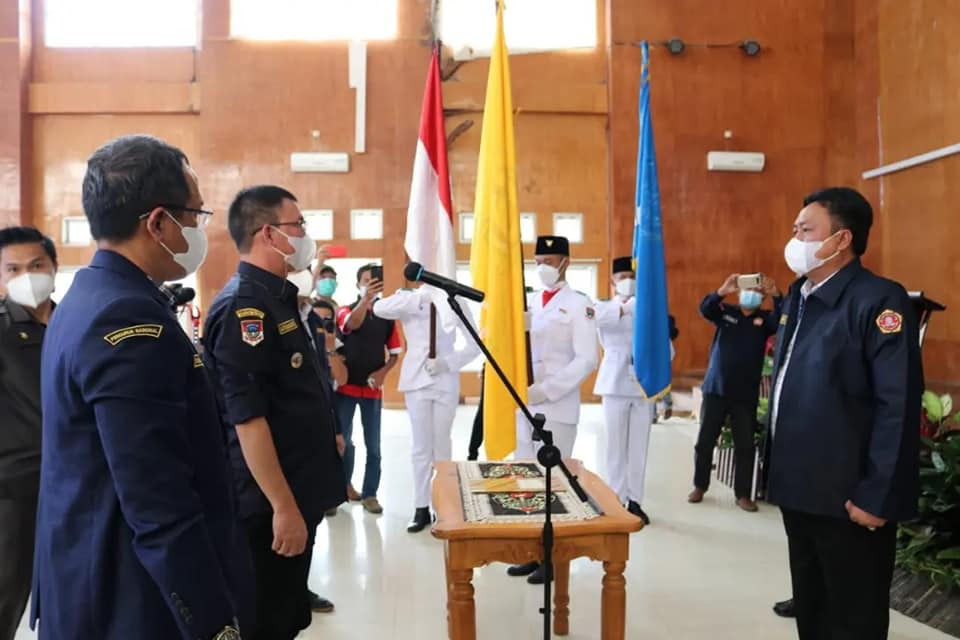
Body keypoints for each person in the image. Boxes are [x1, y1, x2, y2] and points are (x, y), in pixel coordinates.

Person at [33, 134, 247, 640]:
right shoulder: (127, 320)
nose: (198, 228)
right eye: (194, 215)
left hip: (87, 572)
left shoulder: (88, 297)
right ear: (157, 222)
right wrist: (213, 622)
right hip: (129, 596)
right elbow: (157, 499)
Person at [767, 186, 922, 639]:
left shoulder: (879, 301)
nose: (795, 239)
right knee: (812, 611)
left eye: (806, 229)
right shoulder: (800, 296)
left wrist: (878, 495)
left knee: (854, 618)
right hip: (800, 490)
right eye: (795, 229)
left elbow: (897, 403)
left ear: (841, 240)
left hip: (851, 499)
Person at [203, 185, 345, 640]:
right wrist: (283, 508)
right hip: (269, 504)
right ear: (269, 232)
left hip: (300, 489)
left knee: (288, 614)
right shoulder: (246, 306)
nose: (305, 235)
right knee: (266, 620)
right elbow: (248, 419)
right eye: (298, 226)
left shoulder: (279, 298)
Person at [507, 235, 598, 585]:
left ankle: (552, 557)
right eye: (539, 260)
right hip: (524, 403)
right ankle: (532, 552)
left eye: (550, 259)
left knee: (553, 482)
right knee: (525, 479)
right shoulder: (529, 302)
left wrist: (547, 390)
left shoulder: (579, 304)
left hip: (557, 407)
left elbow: (587, 358)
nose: (543, 266)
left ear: (566, 262)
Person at [373, 279, 479, 532]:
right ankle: (420, 507)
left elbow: (474, 343)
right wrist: (418, 297)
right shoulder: (408, 298)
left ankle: (442, 506)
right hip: (416, 378)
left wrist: (448, 362)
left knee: (442, 444)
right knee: (420, 447)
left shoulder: (456, 300)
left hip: (444, 378)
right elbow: (379, 309)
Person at [0, 227, 56, 640]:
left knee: (71, 598)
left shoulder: (77, 323)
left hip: (75, 488)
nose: (27, 275)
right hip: (13, 495)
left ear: (53, 267)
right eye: (13, 268)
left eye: (36, 265)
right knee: (6, 597)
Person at [689, 272, 782, 512]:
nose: (751, 294)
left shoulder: (765, 319)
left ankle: (742, 494)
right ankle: (700, 485)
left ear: (761, 297)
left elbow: (784, 321)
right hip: (716, 389)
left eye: (757, 291)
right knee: (705, 441)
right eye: (746, 290)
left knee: (745, 446)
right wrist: (723, 289)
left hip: (744, 394)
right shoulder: (725, 313)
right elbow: (705, 309)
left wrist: (777, 295)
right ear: (740, 293)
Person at [286, 269, 344, 614]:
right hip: (285, 441)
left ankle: (299, 590)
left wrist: (334, 429)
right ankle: (286, 594)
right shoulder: (275, 316)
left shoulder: (312, 321)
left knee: (310, 519)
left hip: (315, 435)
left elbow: (323, 381)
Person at [334, 264, 403, 514]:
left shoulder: (387, 317)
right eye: (366, 280)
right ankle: (341, 489)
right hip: (345, 389)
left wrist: (382, 372)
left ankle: (370, 494)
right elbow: (351, 323)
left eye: (375, 281)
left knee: (374, 446)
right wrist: (365, 300)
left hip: (372, 392)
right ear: (357, 285)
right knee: (344, 443)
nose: (371, 284)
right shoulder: (344, 310)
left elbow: (395, 354)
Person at [593, 256, 652, 525]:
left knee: (639, 446)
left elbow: (665, 345)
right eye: (621, 277)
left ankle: (636, 500)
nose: (627, 281)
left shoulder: (650, 308)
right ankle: (616, 498)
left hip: (643, 383)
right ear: (612, 281)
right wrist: (628, 309)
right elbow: (596, 319)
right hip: (615, 382)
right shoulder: (603, 307)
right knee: (615, 445)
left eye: (632, 276)